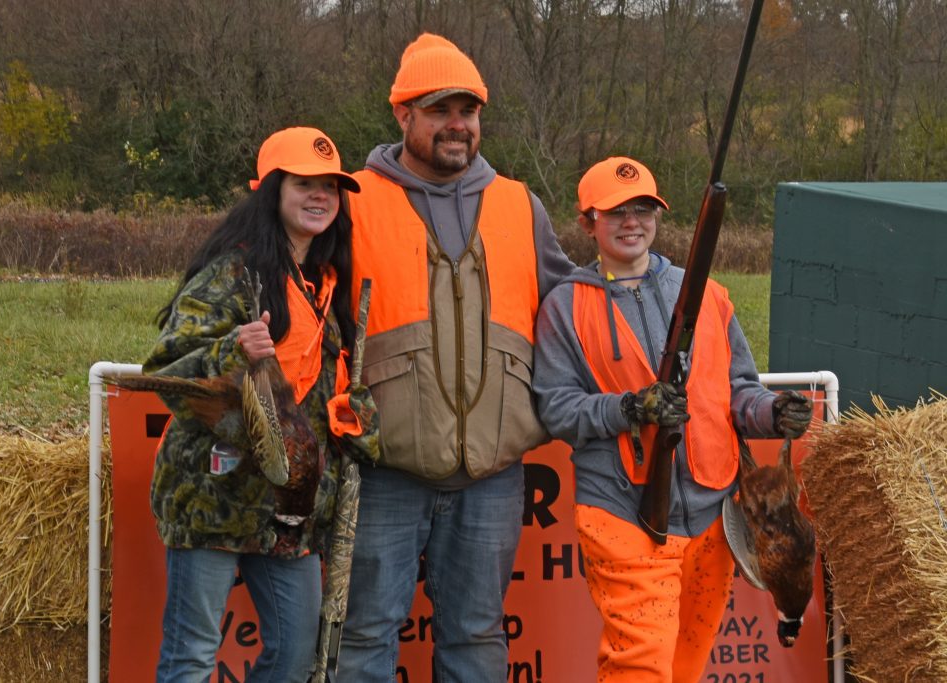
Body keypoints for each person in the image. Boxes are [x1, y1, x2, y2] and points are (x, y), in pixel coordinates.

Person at [336, 32, 574, 682]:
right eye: (439, 109)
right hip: (385, 468)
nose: (457, 125)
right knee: (363, 642)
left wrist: (654, 299)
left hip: (492, 474)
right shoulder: (350, 203)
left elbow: (576, 314)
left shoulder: (521, 205)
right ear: (402, 114)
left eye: (467, 111)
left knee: (475, 643)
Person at [531, 156, 814, 683]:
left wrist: (773, 413)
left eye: (643, 208)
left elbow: (738, 394)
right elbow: (554, 407)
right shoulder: (565, 306)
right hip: (624, 511)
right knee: (641, 665)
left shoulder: (706, 293)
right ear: (587, 222)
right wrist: (630, 409)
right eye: (615, 212)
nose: (631, 222)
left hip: (712, 517)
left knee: (685, 666)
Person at [143, 126, 374, 683]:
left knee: (295, 656)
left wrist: (353, 413)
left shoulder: (328, 282)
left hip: (288, 511)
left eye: (330, 187)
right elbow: (168, 370)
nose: (320, 196)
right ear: (271, 190)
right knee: (194, 655)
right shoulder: (232, 271)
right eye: (304, 184)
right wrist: (232, 350)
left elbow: (321, 391)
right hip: (216, 497)